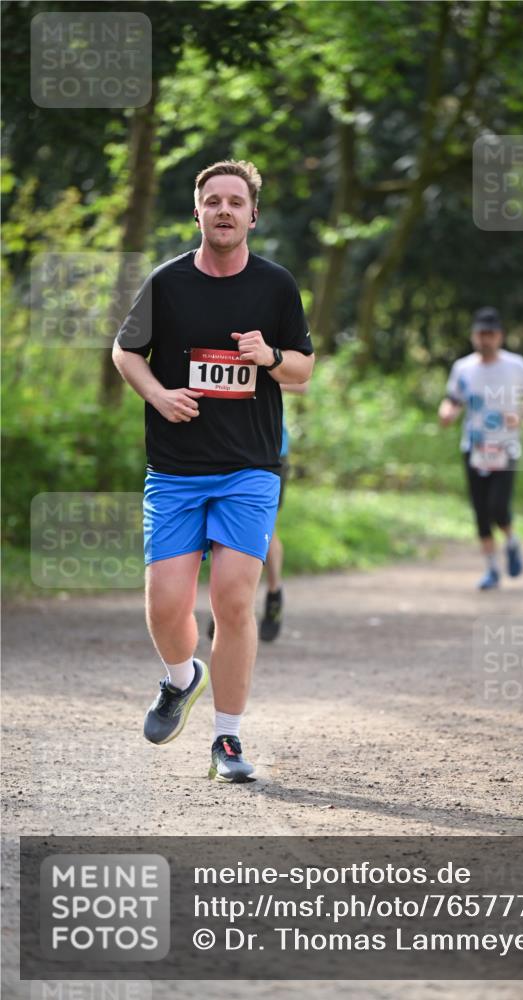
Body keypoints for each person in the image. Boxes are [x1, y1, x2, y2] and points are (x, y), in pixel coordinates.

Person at [112, 159, 314, 782]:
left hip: (249, 468)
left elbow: (303, 372)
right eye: (213, 201)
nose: (224, 210)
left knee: (231, 600)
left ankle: (226, 739)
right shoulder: (167, 283)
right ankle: (182, 678)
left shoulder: (276, 286)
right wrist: (158, 395)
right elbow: (125, 351)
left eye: (236, 201)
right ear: (196, 212)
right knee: (166, 606)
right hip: (174, 470)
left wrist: (270, 355)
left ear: (253, 215)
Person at [438, 307, 523, 590]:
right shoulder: (463, 368)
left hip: (505, 446)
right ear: (474, 336)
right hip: (473, 446)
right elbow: (453, 399)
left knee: (498, 506)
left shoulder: (516, 365)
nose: (485, 340)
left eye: (490, 335)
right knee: (481, 510)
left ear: (500, 336)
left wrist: (520, 414)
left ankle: (511, 541)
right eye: (480, 334)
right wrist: (446, 413)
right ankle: (492, 569)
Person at [207, 383, 309, 646]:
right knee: (219, 528)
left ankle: (274, 593)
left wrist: (252, 374)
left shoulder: (271, 341)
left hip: (268, 446)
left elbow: (302, 382)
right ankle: (226, 601)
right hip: (217, 443)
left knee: (264, 529)